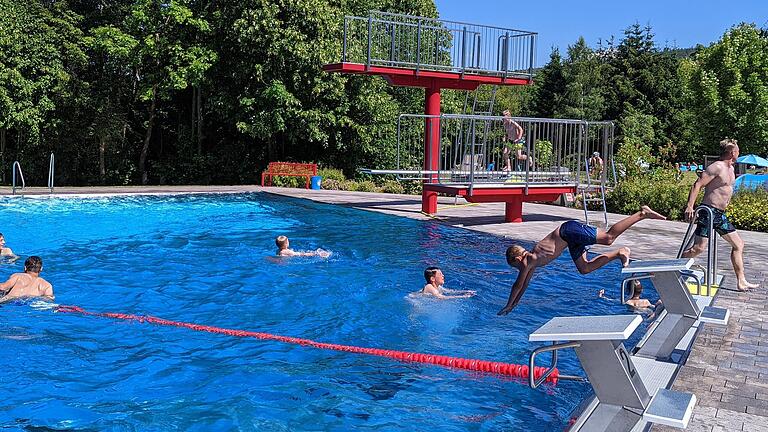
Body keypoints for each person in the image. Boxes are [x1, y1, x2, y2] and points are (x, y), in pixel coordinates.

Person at [498, 206, 666, 315]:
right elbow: (524, 285)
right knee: (584, 268)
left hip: (568, 231)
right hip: (569, 238)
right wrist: (513, 305)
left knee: (608, 238)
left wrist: (508, 305)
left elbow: (517, 285)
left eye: (515, 266)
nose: (518, 270)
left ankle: (641, 213)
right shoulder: (530, 263)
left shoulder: (527, 261)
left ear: (518, 258)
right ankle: (619, 253)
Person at [682, 138, 758, 291]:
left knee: (738, 245)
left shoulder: (731, 168)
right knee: (698, 249)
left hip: (720, 215)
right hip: (708, 212)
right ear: (731, 152)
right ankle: (674, 265)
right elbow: (697, 184)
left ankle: (741, 281)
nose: (739, 153)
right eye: (737, 150)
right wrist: (690, 206)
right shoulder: (717, 167)